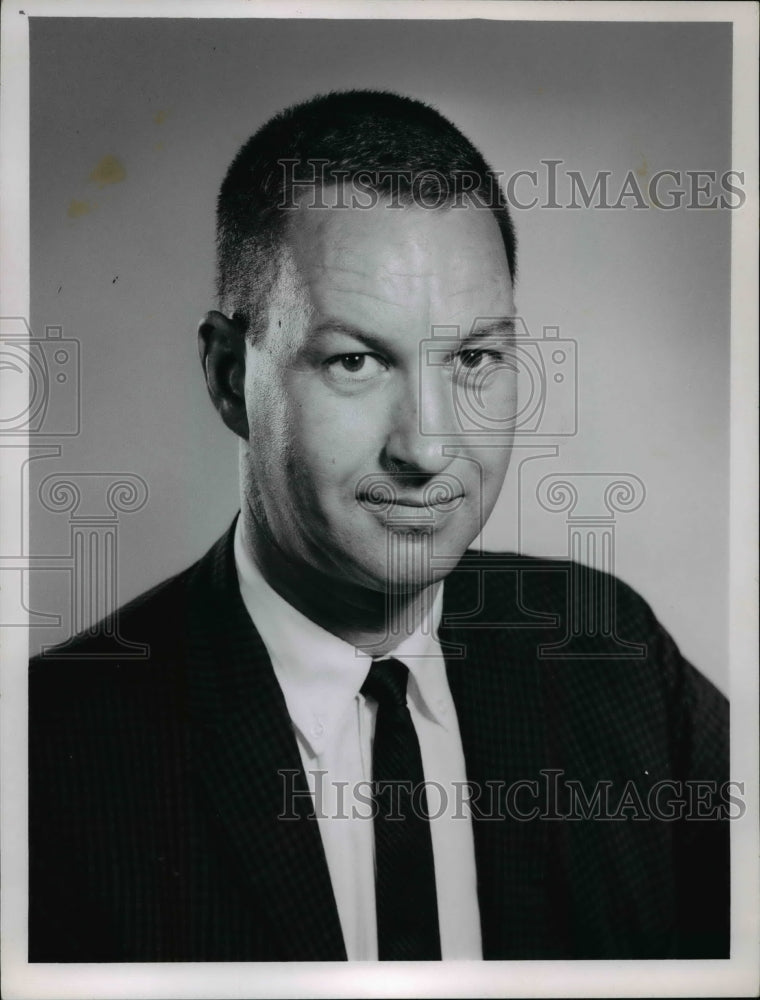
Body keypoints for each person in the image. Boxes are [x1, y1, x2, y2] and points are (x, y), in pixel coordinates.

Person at [29, 90, 730, 962]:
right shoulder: (44, 763)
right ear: (225, 375)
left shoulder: (612, 653)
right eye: (356, 361)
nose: (430, 447)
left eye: (474, 358)